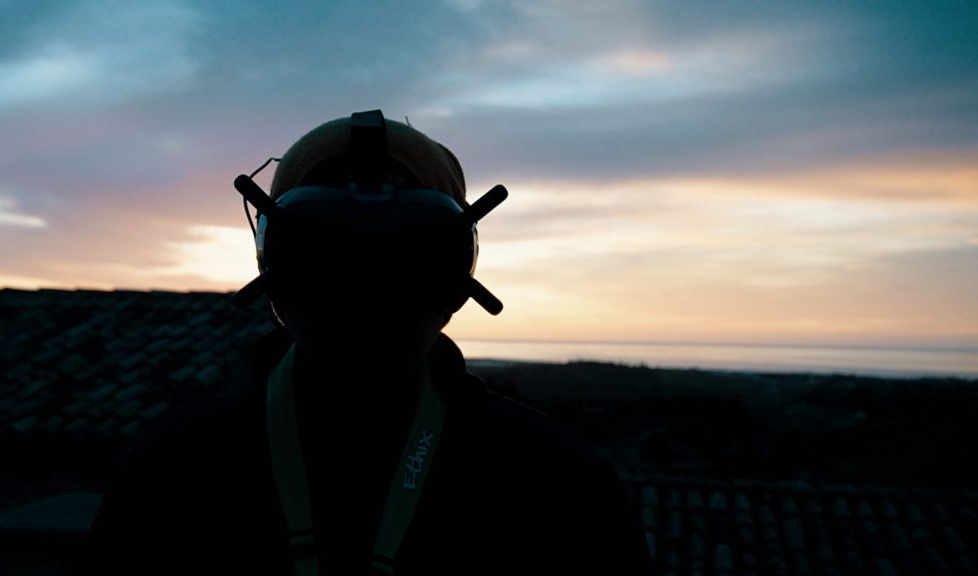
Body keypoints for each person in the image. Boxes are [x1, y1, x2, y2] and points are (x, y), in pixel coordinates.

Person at [75, 111, 654, 575]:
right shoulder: (555, 479)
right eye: (323, 251)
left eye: (411, 254)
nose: (366, 286)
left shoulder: (174, 468)